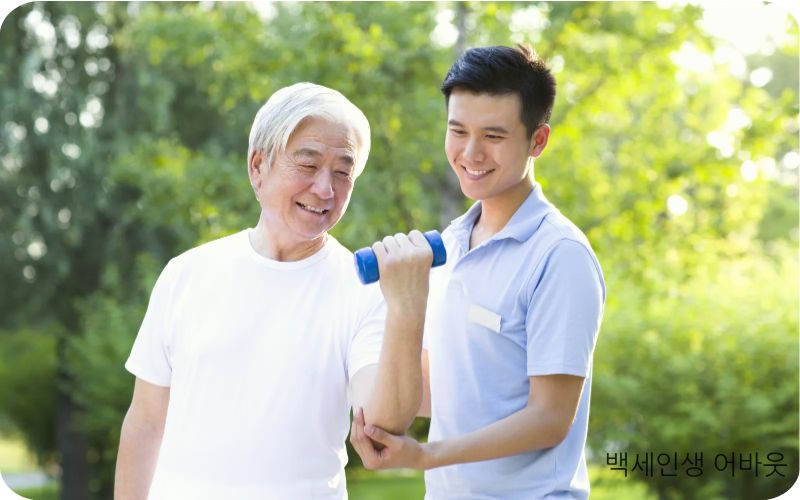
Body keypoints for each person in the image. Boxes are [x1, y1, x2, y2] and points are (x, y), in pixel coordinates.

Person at [114, 82, 433, 500]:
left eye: (343, 172)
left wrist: (408, 309)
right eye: (308, 164)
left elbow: (381, 422)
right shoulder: (186, 274)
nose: (326, 189)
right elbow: (144, 423)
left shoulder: (364, 291)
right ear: (258, 167)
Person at [350, 45, 606, 499]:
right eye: (457, 131)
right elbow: (443, 391)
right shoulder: (450, 245)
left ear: (538, 141)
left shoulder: (560, 256)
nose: (470, 153)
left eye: (493, 136)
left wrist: (426, 455)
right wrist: (375, 410)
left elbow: (550, 418)